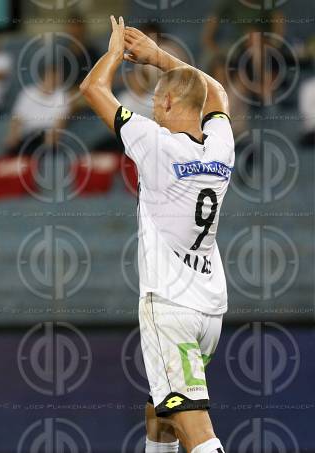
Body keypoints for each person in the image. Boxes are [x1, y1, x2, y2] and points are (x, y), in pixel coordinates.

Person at [81, 17, 233, 453]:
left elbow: (92, 90)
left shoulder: (155, 143)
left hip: (170, 305)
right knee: (161, 412)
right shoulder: (221, 145)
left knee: (194, 426)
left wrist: (115, 52)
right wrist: (158, 56)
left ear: (165, 102)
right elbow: (216, 93)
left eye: (154, 102)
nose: (151, 110)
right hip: (209, 310)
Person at [5, 65, 70, 156]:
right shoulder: (27, 92)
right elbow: (17, 118)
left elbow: (60, 122)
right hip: (27, 135)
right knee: (13, 149)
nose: (54, 80)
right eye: (52, 77)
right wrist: (13, 135)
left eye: (57, 78)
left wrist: (51, 141)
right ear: (43, 77)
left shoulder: (62, 96)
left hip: (46, 136)